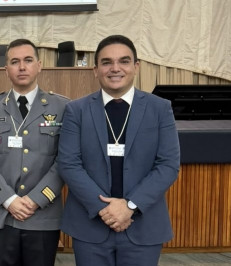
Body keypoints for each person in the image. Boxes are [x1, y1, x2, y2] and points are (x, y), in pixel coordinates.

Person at [57, 35, 180, 266]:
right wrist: (106, 209)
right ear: (95, 70)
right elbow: (69, 164)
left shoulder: (160, 109)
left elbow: (168, 165)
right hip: (90, 225)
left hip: (143, 226)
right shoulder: (76, 110)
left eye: (123, 61)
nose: (115, 68)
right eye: (106, 62)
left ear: (136, 67)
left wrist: (130, 206)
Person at [0, 39, 69, 266]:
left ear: (39, 65)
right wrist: (8, 200)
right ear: (6, 69)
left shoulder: (62, 107)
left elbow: (64, 160)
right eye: (15, 62)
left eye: (28, 60)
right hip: (3, 213)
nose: (22, 67)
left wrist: (36, 200)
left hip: (43, 215)